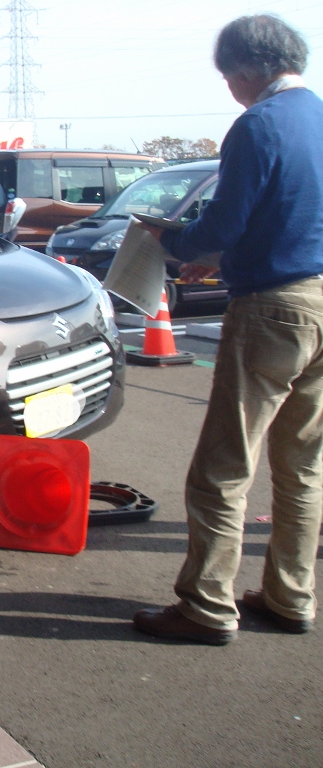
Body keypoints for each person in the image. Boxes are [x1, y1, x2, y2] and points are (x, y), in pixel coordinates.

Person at [133, 15, 323, 645]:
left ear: (246, 69)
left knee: (223, 466)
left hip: (273, 307)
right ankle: (290, 596)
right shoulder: (319, 117)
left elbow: (223, 226)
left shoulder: (258, 126)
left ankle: (207, 607)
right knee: (302, 465)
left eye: (228, 79)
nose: (231, 91)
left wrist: (172, 239)